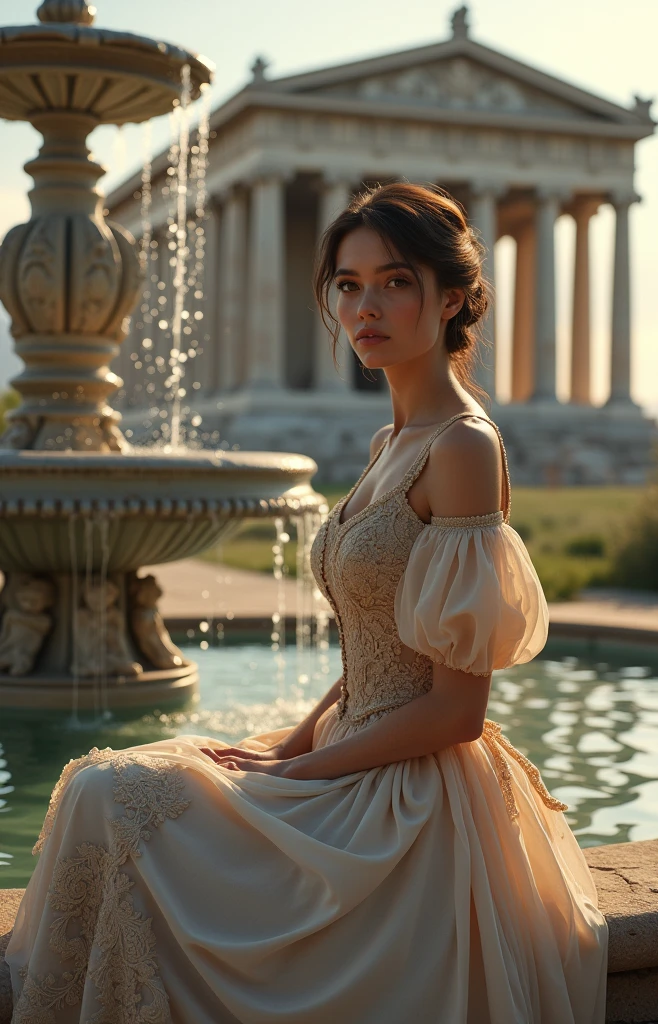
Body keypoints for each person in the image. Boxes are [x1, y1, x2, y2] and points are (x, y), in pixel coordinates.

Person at [6, 183, 608, 1024]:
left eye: (395, 282)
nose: (366, 306)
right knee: (98, 791)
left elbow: (457, 709)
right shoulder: (387, 441)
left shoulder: (465, 447)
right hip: (341, 747)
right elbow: (372, 646)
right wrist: (283, 746)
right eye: (348, 284)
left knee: (112, 796)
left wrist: (296, 772)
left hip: (405, 791)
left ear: (455, 298)